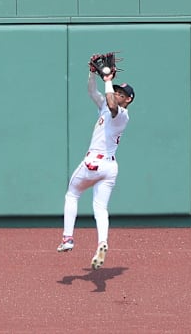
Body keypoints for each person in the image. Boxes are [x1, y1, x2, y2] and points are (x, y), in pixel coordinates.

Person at [57, 61, 135, 270]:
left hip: (95, 162)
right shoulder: (105, 106)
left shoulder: (122, 115)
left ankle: (67, 238)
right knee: (100, 208)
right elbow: (93, 92)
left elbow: (112, 105)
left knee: (72, 194)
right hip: (109, 167)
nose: (117, 93)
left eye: (121, 93)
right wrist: (92, 74)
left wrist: (108, 81)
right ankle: (102, 242)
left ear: (128, 100)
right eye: (116, 90)